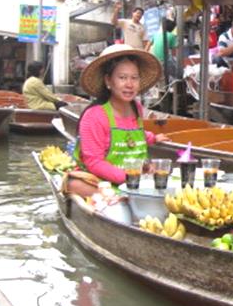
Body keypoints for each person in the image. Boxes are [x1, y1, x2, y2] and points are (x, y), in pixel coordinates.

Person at [70, 44, 168, 197]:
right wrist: (130, 177)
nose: (129, 84)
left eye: (134, 78)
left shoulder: (136, 107)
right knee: (73, 183)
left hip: (135, 182)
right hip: (103, 183)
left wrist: (153, 138)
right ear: (108, 80)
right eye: (122, 78)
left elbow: (134, 134)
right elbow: (94, 162)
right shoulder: (94, 116)